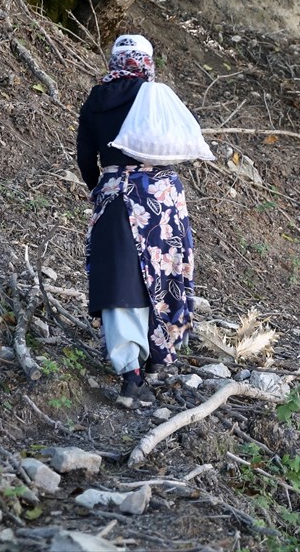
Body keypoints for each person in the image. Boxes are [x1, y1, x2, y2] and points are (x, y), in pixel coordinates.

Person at [76, 34, 197, 408]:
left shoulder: (95, 99)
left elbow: (85, 158)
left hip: (114, 194)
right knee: (164, 274)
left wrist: (104, 186)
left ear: (114, 61)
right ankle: (159, 355)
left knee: (120, 276)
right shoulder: (154, 97)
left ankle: (131, 372)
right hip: (161, 197)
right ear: (146, 61)